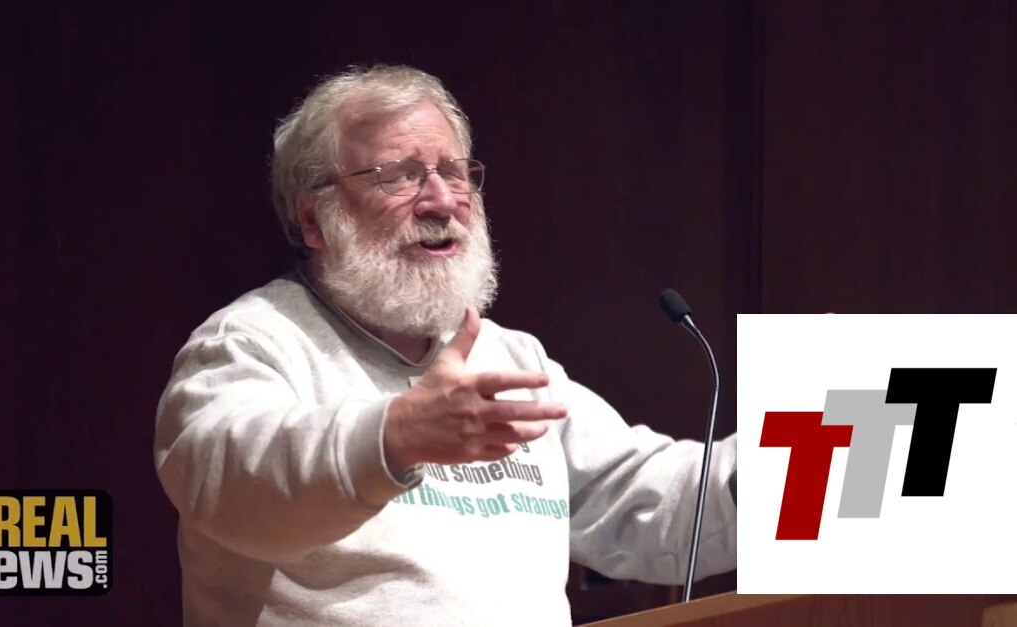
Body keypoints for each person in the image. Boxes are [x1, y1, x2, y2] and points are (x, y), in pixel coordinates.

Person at [154, 64, 736, 627]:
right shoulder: (252, 343)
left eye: (454, 173)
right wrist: (394, 436)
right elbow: (231, 485)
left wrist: (787, 451)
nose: (441, 200)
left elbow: (654, 504)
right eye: (397, 176)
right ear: (314, 219)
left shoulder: (511, 357)